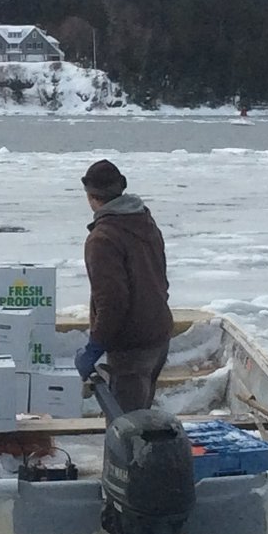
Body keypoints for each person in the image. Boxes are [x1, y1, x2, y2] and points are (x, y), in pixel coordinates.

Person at [72, 158, 173, 412]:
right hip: (158, 334)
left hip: (131, 347)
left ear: (91, 196)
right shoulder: (144, 221)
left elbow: (113, 301)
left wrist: (95, 346)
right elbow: (161, 277)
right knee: (141, 418)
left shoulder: (103, 238)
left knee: (128, 430)